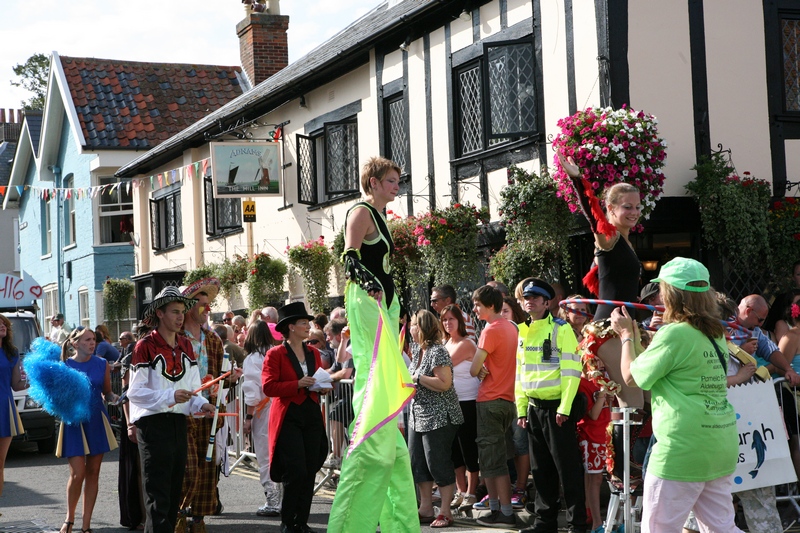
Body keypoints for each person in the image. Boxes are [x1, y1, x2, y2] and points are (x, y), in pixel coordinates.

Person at [610, 257, 742, 532]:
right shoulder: (715, 332)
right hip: (719, 443)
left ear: (670, 293)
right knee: (722, 529)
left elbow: (633, 377)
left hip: (681, 448)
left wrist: (625, 336)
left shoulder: (675, 334)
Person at [327, 157, 417, 533]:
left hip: (385, 302)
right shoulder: (360, 212)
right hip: (367, 301)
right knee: (374, 365)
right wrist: (370, 286)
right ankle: (370, 409)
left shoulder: (382, 217)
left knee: (385, 370)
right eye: (392, 181)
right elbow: (349, 257)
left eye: (398, 181)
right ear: (375, 182)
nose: (398, 186)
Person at [128, 287, 216, 533]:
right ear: (159, 313)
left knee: (174, 493)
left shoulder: (187, 345)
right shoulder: (144, 346)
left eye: (182, 312)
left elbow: (192, 389)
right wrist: (171, 395)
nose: (180, 317)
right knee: (158, 496)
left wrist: (202, 404)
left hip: (178, 423)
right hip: (152, 425)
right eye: (175, 312)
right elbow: (134, 393)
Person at [515, 279, 586, 533]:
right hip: (534, 409)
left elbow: (571, 371)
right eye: (526, 297)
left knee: (567, 470)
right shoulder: (522, 331)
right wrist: (521, 409)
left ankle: (577, 525)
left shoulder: (561, 329)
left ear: (547, 302)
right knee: (540, 470)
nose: (529, 300)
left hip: (557, 410)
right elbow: (520, 374)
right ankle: (544, 522)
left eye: (535, 297)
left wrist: (565, 408)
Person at [177, 278, 242, 533]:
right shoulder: (176, 337)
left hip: (210, 411)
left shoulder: (213, 339)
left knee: (207, 469)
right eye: (202, 304)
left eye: (209, 304)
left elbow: (220, 377)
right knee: (188, 467)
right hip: (183, 410)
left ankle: (198, 519)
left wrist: (230, 379)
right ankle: (180, 513)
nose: (207, 309)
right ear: (188, 307)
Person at [262, 302, 329, 533]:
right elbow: (269, 387)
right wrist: (297, 384)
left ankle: (301, 521)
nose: (308, 327)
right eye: (303, 323)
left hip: (310, 412)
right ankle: (288, 522)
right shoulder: (275, 353)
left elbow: (318, 380)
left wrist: (323, 387)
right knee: (296, 470)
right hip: (288, 415)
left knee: (310, 468)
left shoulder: (313, 353)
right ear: (291, 327)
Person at [57, 326, 120, 533]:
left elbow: (107, 393)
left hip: (96, 420)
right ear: (74, 343)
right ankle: (69, 518)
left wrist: (115, 399)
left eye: (93, 339)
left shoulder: (102, 364)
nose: (92, 343)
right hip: (74, 421)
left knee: (93, 473)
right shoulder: (64, 365)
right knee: (78, 473)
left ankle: (86, 525)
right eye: (86, 340)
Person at [407, 310, 463, 529]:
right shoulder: (415, 349)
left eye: (412, 324)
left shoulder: (437, 351)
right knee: (418, 462)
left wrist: (418, 378)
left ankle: (446, 511)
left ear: (421, 327)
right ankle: (426, 508)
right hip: (417, 414)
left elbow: (444, 383)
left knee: (437, 462)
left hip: (440, 415)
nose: (409, 328)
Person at [469, 285, 519, 529]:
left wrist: (479, 370)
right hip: (508, 401)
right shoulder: (512, 327)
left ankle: (501, 511)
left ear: (490, 305)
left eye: (477, 304)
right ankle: (502, 509)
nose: (474, 308)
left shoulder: (490, 330)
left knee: (491, 461)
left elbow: (473, 368)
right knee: (500, 458)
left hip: (490, 400)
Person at [241, 320, 283, 518]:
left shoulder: (252, 359)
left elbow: (253, 394)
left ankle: (272, 500)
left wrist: (248, 417)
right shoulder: (279, 352)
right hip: (283, 407)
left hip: (264, 410)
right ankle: (284, 499)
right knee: (282, 453)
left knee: (265, 455)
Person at [440, 304, 480, 510]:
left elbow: (441, 367)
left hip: (468, 402)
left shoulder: (467, 343)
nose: (448, 323)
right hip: (449, 403)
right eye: (445, 320)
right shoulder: (444, 343)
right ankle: (461, 490)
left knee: (468, 448)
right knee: (455, 451)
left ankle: (471, 492)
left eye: (451, 319)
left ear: (460, 322)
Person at [577, 357, 612, 533]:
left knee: (597, 478)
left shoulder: (605, 379)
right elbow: (593, 415)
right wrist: (602, 396)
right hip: (591, 436)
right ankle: (596, 523)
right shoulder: (582, 383)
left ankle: (590, 513)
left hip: (606, 434)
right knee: (594, 478)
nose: (599, 364)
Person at [119, 327, 145, 531]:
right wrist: (130, 424)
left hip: (151, 417)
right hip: (134, 419)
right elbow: (125, 394)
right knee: (138, 469)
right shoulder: (132, 355)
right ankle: (142, 516)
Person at [0, 314, 25, 498]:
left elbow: (17, 385)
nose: (2, 326)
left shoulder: (12, 352)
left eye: (4, 324)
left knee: (0, 464)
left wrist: (39, 378)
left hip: (5, 409)